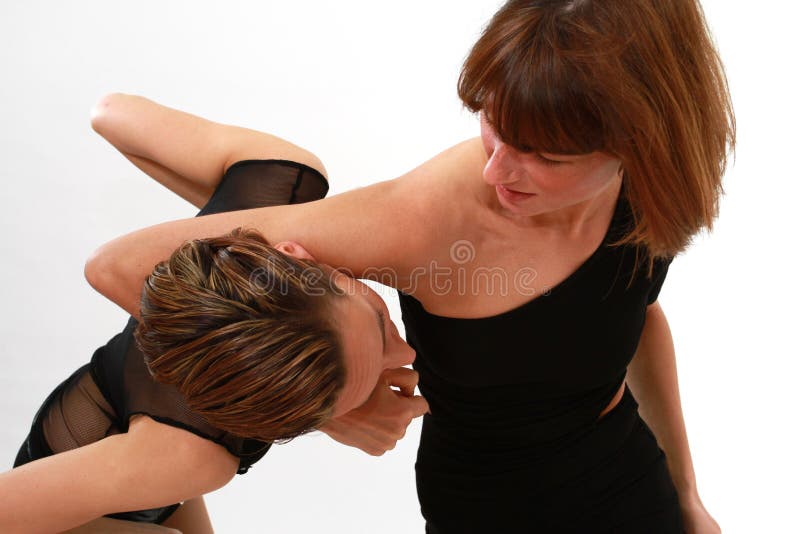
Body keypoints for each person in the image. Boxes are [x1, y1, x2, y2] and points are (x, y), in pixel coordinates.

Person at [86, 1, 734, 531]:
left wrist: (686, 494)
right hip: (490, 510)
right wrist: (331, 404)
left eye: (541, 155)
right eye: (491, 123)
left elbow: (635, 319)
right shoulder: (427, 220)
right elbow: (122, 265)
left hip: (625, 476)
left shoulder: (654, 184)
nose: (496, 169)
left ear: (637, 139)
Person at [0, 95, 423, 534]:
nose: (405, 349)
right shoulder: (194, 457)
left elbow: (110, 113)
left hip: (135, 487)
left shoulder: (277, 182)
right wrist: (337, 412)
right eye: (379, 321)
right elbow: (105, 113)